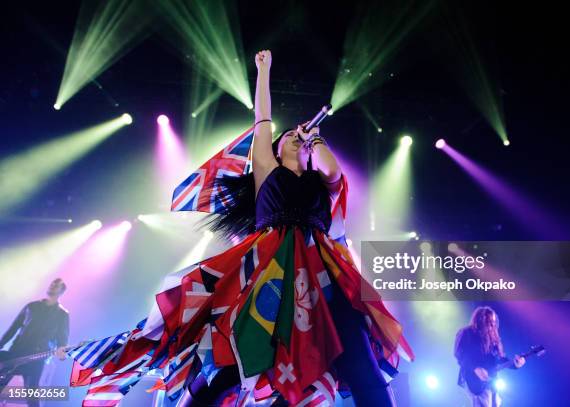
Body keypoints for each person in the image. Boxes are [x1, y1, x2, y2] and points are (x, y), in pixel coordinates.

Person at [69, 50, 413, 406]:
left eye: (301, 136)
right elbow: (263, 118)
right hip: (270, 268)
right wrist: (263, 71)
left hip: (323, 272)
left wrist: (315, 140)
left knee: (360, 364)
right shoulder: (268, 169)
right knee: (232, 361)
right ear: (276, 149)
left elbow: (334, 173)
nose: (296, 135)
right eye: (289, 136)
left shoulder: (319, 178)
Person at [0, 278, 69, 407]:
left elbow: (62, 339)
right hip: (16, 352)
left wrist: (61, 352)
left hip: (36, 358)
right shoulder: (31, 306)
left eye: (56, 285)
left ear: (61, 291)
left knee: (32, 396)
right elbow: (12, 329)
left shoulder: (62, 314)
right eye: (52, 283)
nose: (52, 286)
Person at [454, 306, 525, 407]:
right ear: (480, 320)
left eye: (493, 322)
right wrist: (476, 368)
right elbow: (461, 355)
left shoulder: (493, 337)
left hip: (491, 379)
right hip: (473, 379)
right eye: (489, 321)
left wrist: (516, 364)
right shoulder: (467, 333)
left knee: (496, 404)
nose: (492, 324)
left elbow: (499, 358)